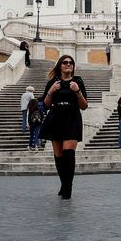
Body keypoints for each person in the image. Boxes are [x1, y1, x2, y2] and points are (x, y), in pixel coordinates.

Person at [40, 55, 88, 199]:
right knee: (59, 155)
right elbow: (46, 104)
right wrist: (51, 91)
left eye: (71, 63)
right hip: (56, 117)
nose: (68, 65)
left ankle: (68, 187)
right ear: (60, 65)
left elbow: (84, 106)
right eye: (65, 62)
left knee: (68, 153)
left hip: (72, 117)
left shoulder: (78, 81)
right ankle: (63, 183)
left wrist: (77, 91)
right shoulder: (53, 82)